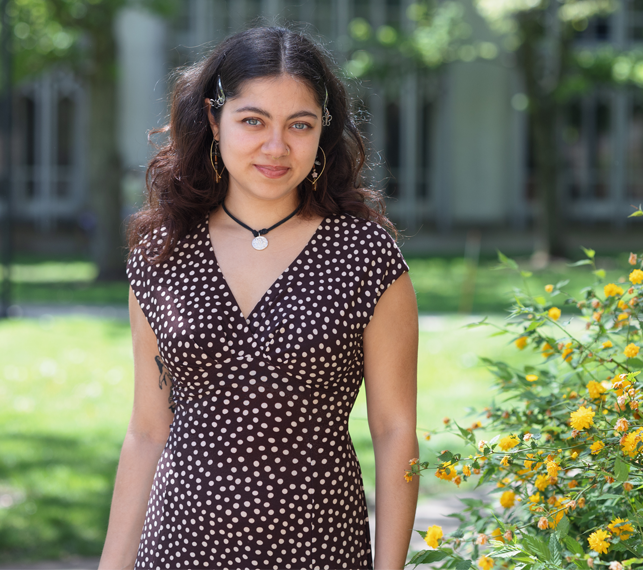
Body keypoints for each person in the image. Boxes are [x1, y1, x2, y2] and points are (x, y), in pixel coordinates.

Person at [98, 26, 419, 570]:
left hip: (318, 549)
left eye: (300, 125)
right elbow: (147, 431)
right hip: (178, 547)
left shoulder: (365, 255)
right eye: (253, 121)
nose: (277, 147)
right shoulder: (161, 254)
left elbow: (394, 431)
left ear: (324, 132)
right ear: (213, 119)